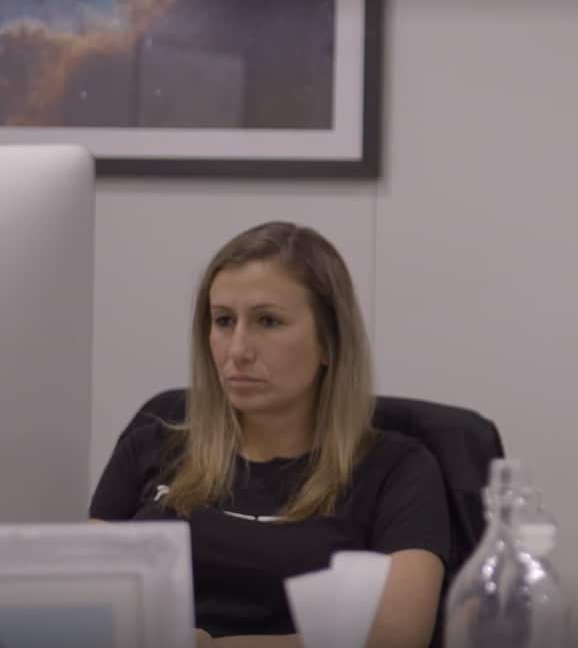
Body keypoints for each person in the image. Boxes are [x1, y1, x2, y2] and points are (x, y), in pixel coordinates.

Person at [90, 222, 449, 648]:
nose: (238, 349)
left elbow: (395, 637)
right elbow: (81, 599)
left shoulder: (397, 467)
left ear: (329, 343)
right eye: (223, 321)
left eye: (268, 321)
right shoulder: (152, 443)